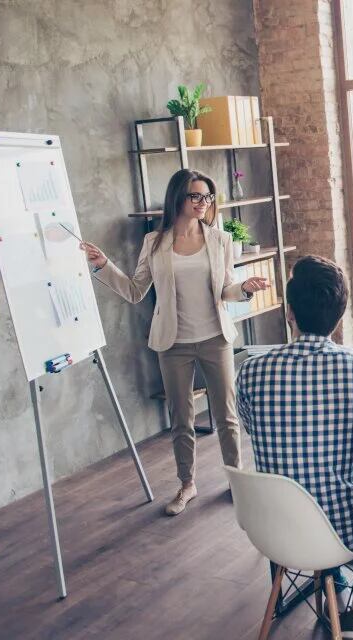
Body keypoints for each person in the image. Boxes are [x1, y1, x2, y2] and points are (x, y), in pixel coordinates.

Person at [82, 168, 268, 516]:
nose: (203, 203)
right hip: (173, 343)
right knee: (180, 418)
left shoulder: (220, 240)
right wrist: (103, 265)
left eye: (208, 197)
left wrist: (243, 289)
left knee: (226, 416)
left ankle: (237, 481)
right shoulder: (155, 242)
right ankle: (187, 484)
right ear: (178, 198)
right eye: (195, 196)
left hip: (215, 338)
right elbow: (136, 291)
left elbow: (226, 289)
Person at [236, 255, 353, 640]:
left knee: (303, 481)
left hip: (273, 527)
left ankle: (333, 588)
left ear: (290, 312)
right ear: (340, 316)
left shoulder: (252, 370)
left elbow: (250, 425)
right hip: (343, 529)